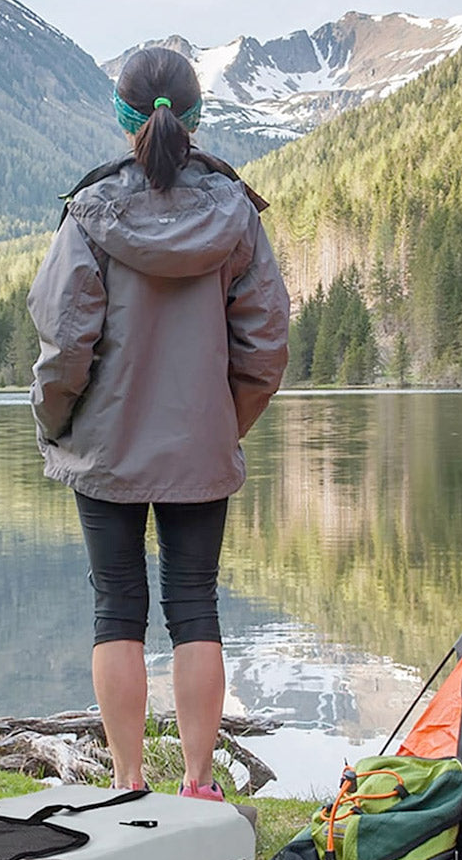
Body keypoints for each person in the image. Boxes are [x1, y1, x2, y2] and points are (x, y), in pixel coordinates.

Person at [27, 46, 290, 801]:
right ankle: (201, 783)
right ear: (194, 115)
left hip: (105, 448)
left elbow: (64, 339)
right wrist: (220, 424)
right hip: (201, 447)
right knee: (195, 603)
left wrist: (57, 422)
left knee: (117, 605)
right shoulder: (234, 212)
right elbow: (265, 345)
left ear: (123, 115)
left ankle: (129, 779)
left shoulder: (91, 211)